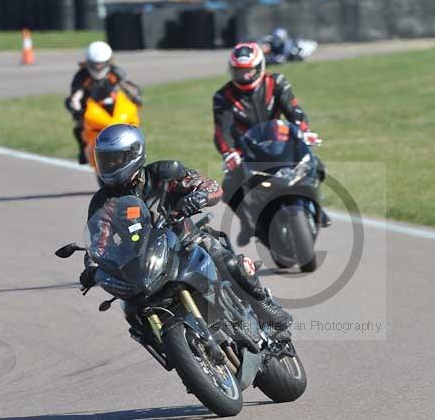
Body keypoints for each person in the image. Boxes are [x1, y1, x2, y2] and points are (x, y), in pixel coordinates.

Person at [79, 124, 292, 340]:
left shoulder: (164, 173)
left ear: (134, 154)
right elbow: (99, 241)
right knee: (133, 312)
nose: (109, 165)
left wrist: (199, 195)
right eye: (105, 159)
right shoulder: (103, 202)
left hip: (187, 242)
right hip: (144, 262)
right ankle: (170, 346)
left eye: (116, 159)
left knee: (227, 262)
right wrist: (93, 267)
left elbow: (210, 186)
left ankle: (266, 308)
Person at [212, 41, 329, 246]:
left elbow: (295, 111)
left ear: (260, 67)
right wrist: (229, 153)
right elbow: (222, 130)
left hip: (281, 141)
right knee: (229, 185)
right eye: (239, 71)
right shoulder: (223, 96)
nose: (244, 76)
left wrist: (303, 131)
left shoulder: (277, 82)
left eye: (248, 71)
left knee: (316, 165)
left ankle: (317, 206)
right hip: (247, 151)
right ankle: (249, 224)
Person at [65, 41, 143, 165]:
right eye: (94, 64)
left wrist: (136, 97)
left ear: (108, 62)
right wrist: (78, 111)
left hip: (111, 105)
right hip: (90, 107)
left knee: (134, 122)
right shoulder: (82, 75)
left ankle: (135, 145)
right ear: (88, 62)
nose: (97, 68)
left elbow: (129, 86)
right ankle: (84, 150)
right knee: (78, 129)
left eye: (100, 64)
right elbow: (75, 96)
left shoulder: (114, 72)